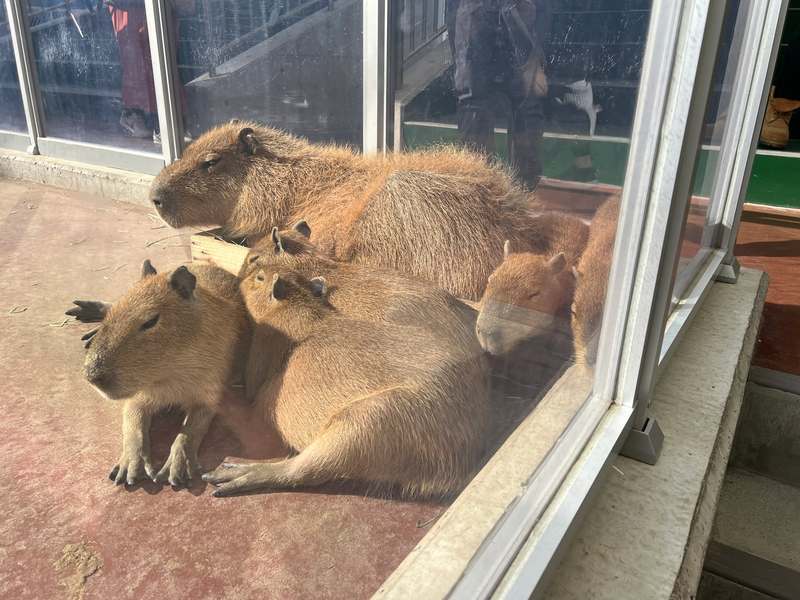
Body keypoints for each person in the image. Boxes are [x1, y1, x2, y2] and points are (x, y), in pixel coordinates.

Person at [446, 0, 551, 189]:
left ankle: (523, 191)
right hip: (477, 13)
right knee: (473, 103)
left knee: (525, 104)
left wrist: (537, 54)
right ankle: (478, 190)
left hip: (516, 11)